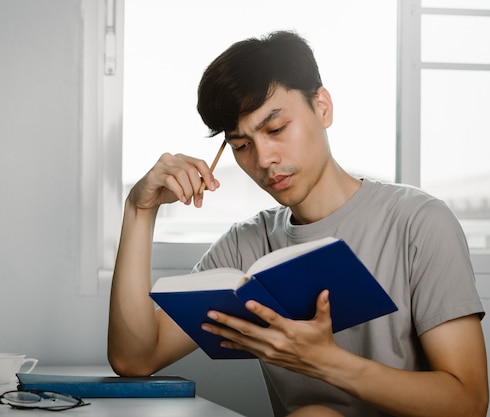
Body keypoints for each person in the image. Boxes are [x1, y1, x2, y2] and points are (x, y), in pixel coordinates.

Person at [107, 30, 488, 417]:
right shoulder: (246, 245)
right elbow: (135, 359)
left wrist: (327, 361)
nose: (264, 158)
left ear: (322, 107)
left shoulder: (419, 221)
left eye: (275, 130)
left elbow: (469, 402)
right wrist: (139, 210)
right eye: (241, 145)